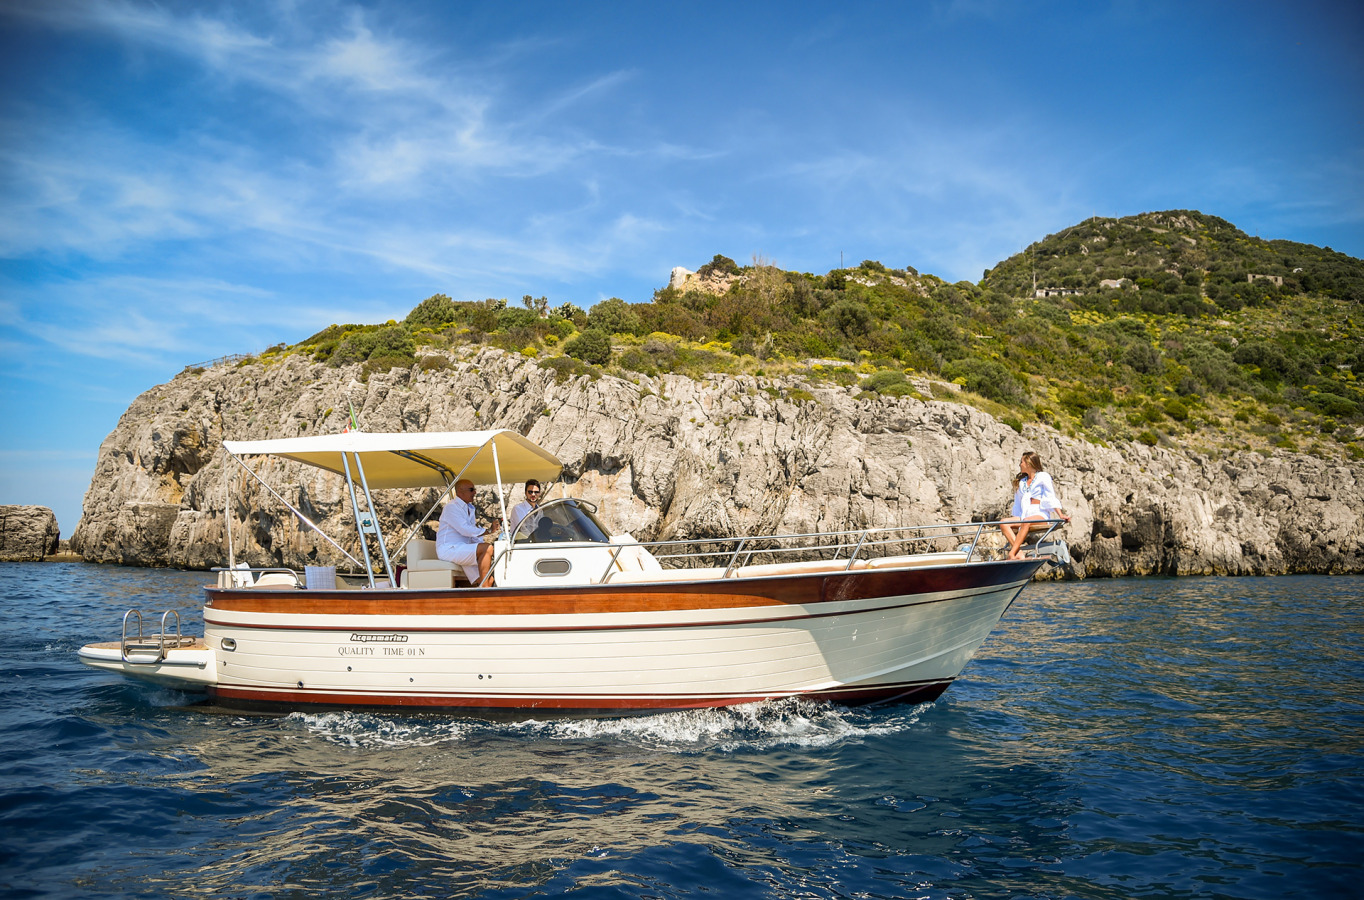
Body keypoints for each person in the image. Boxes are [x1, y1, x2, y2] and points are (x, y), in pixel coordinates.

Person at [999, 451, 1070, 560]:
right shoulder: (1021, 482)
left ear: (1029, 463)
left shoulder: (1043, 476)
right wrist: (1015, 520)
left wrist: (1060, 515)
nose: (1020, 464)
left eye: (1021, 462)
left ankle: (1012, 554)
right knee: (1003, 522)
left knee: (1026, 521)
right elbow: (1018, 503)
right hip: (1024, 514)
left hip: (1039, 513)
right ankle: (1019, 553)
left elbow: (1050, 496)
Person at [436, 479, 501, 586]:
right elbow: (465, 530)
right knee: (487, 549)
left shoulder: (470, 508)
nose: (475, 492)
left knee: (491, 578)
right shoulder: (451, 507)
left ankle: (483, 588)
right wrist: (488, 531)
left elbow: (472, 536)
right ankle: (485, 589)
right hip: (449, 549)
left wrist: (481, 545)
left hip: (462, 548)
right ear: (460, 492)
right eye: (471, 490)